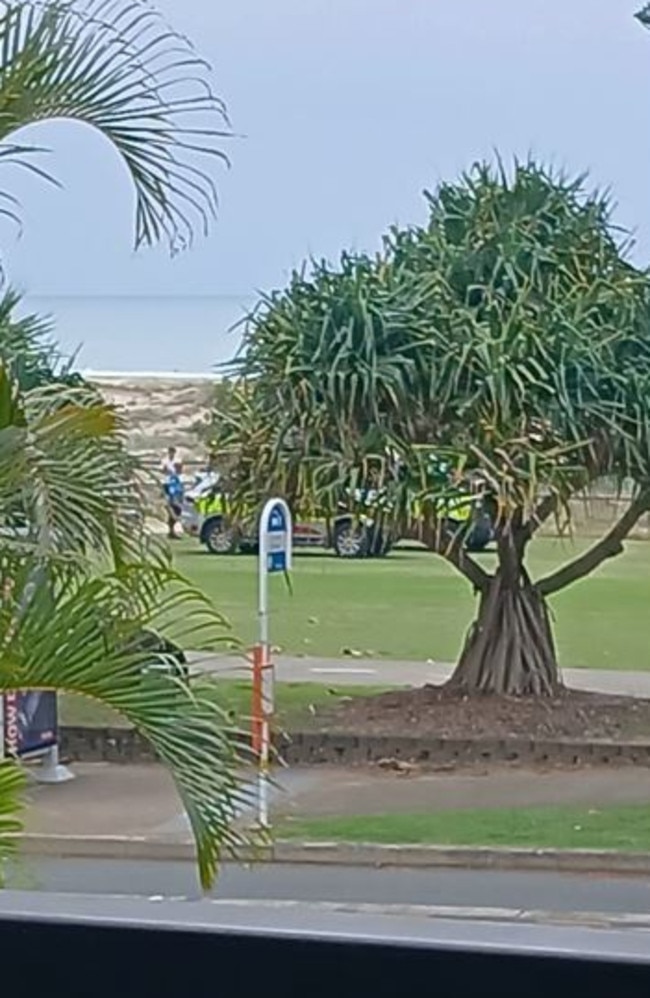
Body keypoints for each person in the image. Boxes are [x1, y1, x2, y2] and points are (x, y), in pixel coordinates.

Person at [163, 460, 185, 539]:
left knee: (174, 516)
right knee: (174, 516)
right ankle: (171, 532)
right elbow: (171, 488)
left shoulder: (180, 476)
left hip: (177, 498)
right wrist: (173, 498)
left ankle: (171, 532)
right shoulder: (174, 477)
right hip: (174, 498)